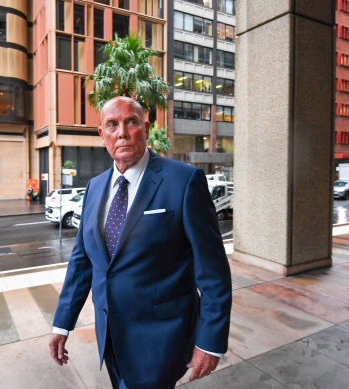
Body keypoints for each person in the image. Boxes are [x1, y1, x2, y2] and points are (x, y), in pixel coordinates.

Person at [48, 97, 232, 389]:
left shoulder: (184, 181)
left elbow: (213, 272)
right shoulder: (95, 187)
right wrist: (62, 323)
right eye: (112, 125)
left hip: (162, 337)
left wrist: (210, 342)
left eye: (131, 122)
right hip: (109, 333)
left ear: (145, 129)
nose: (122, 132)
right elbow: (83, 261)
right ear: (102, 135)